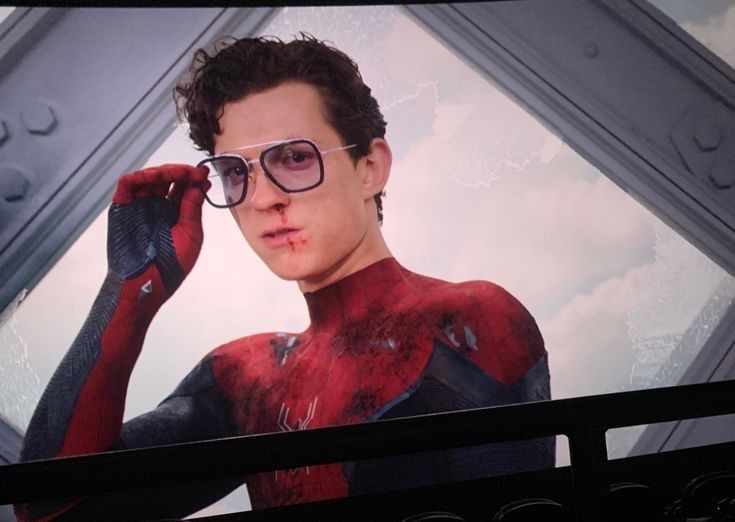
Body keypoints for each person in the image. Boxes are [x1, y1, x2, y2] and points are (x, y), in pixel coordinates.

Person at [17, 34, 554, 520]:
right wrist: (129, 292)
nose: (264, 198)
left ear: (370, 168)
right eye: (236, 172)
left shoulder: (466, 320)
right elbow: (50, 508)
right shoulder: (244, 377)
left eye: (295, 157)